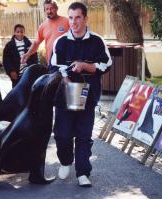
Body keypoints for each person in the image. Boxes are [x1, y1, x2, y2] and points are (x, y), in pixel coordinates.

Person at [50, 2, 112, 187]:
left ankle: (83, 172)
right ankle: (66, 161)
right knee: (62, 134)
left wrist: (86, 66)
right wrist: (65, 79)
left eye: (78, 17)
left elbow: (106, 64)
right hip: (64, 95)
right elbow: (54, 66)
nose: (74, 22)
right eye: (70, 18)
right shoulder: (60, 42)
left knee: (84, 135)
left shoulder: (97, 41)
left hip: (88, 95)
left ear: (86, 18)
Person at [21, 0, 69, 65]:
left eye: (51, 8)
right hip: (51, 63)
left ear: (56, 8)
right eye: (47, 9)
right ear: (44, 11)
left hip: (67, 61)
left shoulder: (66, 21)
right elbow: (36, 43)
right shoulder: (43, 26)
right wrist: (27, 54)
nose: (49, 11)